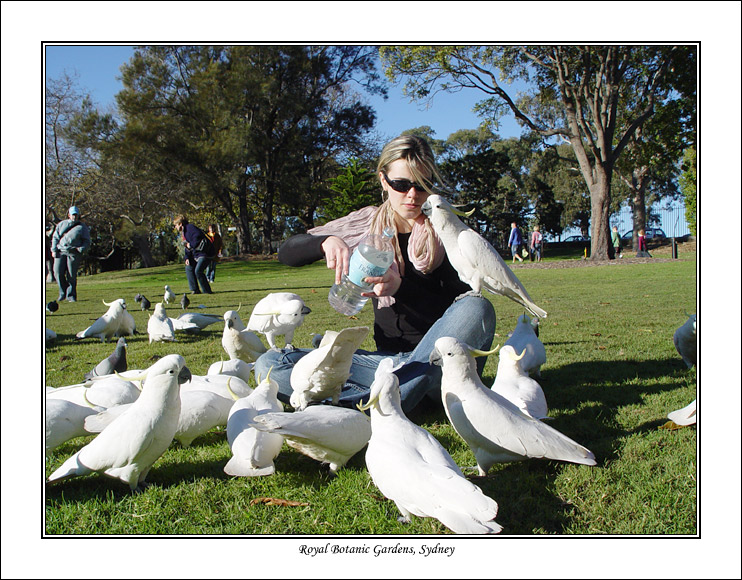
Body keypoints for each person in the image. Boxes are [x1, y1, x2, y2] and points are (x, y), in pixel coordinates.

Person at [254, 134, 496, 413]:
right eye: (402, 184)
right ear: (384, 180)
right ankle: (390, 400)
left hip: (439, 366)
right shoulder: (367, 225)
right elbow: (287, 252)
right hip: (388, 364)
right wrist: (324, 241)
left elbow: (459, 311)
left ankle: (373, 406)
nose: (413, 195)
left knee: (477, 306)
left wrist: (401, 288)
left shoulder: (448, 230)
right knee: (272, 364)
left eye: (422, 185)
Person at [51, 206, 91, 302]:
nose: (74, 217)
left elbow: (87, 241)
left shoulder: (82, 227)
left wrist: (81, 249)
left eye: (76, 215)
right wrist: (53, 250)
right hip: (61, 251)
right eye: (73, 215)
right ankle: (62, 293)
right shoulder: (61, 224)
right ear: (69, 215)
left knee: (71, 275)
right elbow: (55, 237)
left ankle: (71, 295)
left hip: (73, 253)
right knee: (57, 272)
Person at [173, 215, 214, 294]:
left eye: (176, 225)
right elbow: (187, 247)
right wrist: (187, 257)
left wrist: (191, 245)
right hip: (196, 254)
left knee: (198, 271)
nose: (175, 227)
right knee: (189, 267)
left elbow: (197, 238)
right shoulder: (184, 233)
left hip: (205, 253)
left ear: (180, 224)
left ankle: (207, 291)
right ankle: (194, 289)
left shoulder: (190, 228)